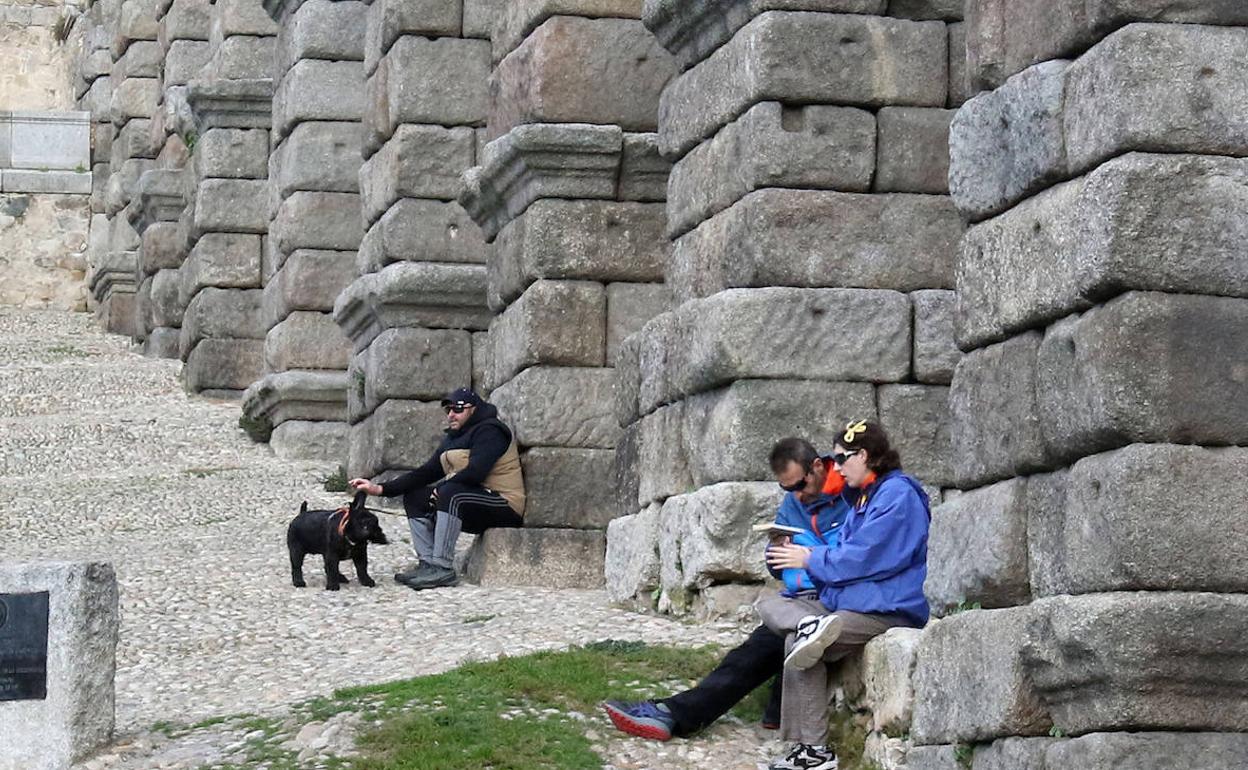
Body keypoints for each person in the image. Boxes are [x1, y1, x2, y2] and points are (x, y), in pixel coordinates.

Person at [602, 437, 852, 741]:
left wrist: (809, 556)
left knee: (755, 652)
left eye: (798, 485)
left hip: (833, 600)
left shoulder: (852, 496)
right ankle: (769, 709)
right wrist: (777, 553)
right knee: (757, 648)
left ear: (817, 467)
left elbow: (855, 560)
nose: (795, 495)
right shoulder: (793, 502)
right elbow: (776, 568)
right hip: (799, 599)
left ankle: (675, 715)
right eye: (786, 489)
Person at [760, 420, 931, 770]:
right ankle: (810, 624)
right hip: (853, 600)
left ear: (864, 455)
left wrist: (808, 557)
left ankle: (813, 752)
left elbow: (864, 557)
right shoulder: (867, 495)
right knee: (767, 604)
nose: (836, 467)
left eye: (841, 459)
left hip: (886, 607)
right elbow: (848, 554)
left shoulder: (897, 494)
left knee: (800, 644)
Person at [348, 387, 525, 590]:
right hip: (470, 501)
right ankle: (428, 564)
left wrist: (443, 488)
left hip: (503, 504)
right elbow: (426, 473)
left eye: (457, 409)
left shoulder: (491, 431)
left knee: (450, 493)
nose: (451, 414)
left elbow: (476, 472)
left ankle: (443, 568)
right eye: (448, 409)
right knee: (415, 497)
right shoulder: (453, 438)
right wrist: (379, 488)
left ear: (473, 409)